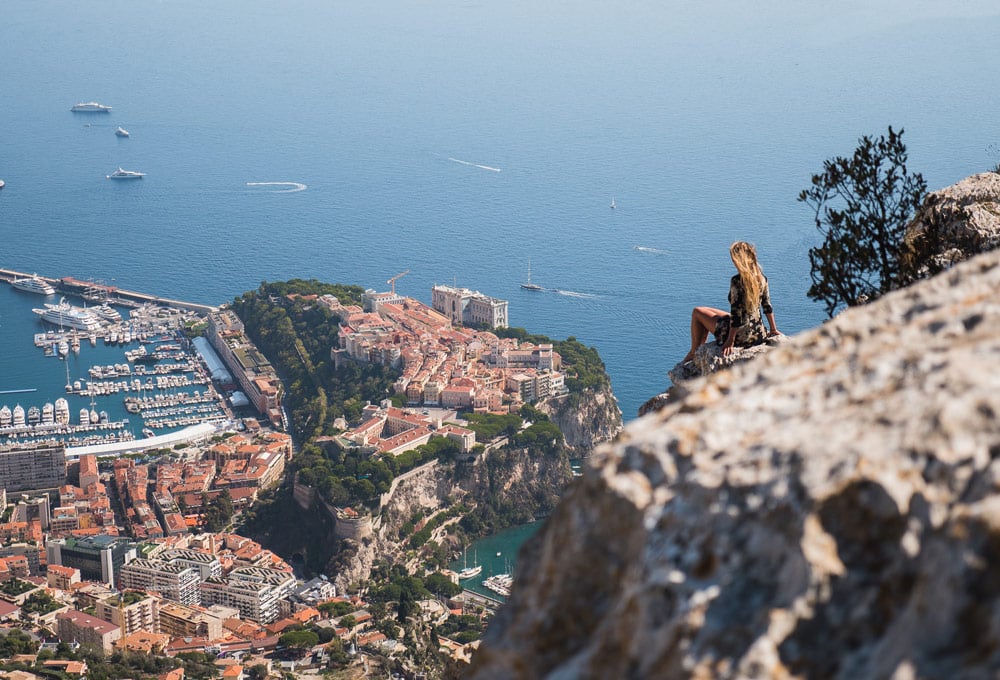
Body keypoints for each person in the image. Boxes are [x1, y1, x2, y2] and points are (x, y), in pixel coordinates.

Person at [682, 241, 781, 363]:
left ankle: (694, 352)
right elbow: (767, 305)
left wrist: (730, 340)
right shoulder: (762, 278)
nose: (733, 262)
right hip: (758, 333)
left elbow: (736, 314)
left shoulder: (737, 281)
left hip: (740, 336)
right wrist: (773, 329)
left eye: (734, 259)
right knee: (707, 310)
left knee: (697, 312)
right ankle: (697, 349)